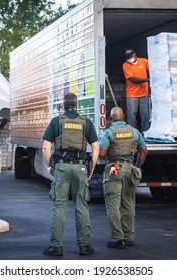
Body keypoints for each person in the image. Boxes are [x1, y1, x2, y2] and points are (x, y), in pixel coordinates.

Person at [42, 92, 99, 256]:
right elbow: (95, 147)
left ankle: (56, 246)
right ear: (77, 105)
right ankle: (84, 246)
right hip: (80, 168)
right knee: (81, 206)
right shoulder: (85, 122)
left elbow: (46, 147)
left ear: (63, 105)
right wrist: (92, 168)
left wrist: (49, 166)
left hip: (61, 167)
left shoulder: (56, 121)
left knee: (59, 206)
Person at [99, 107, 148, 249]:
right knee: (128, 204)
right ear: (124, 116)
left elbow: (102, 153)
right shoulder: (134, 131)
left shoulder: (108, 133)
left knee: (113, 205)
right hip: (129, 169)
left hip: (114, 169)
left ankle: (117, 238)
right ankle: (129, 237)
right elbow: (144, 151)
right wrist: (137, 167)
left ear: (110, 117)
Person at [122, 48, 150, 133]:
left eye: (130, 56)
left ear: (134, 54)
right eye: (127, 57)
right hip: (132, 94)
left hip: (144, 93)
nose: (129, 58)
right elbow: (133, 80)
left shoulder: (144, 61)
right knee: (132, 115)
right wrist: (148, 80)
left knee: (145, 115)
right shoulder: (125, 65)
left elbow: (153, 70)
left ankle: (145, 133)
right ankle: (132, 134)